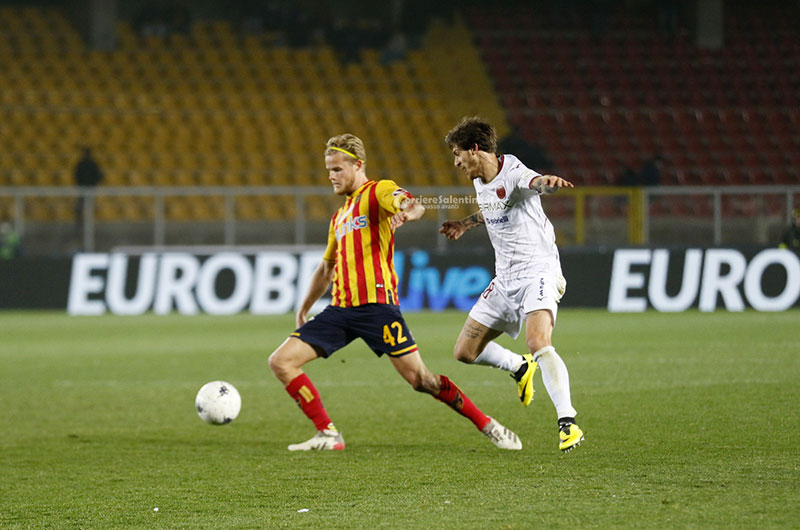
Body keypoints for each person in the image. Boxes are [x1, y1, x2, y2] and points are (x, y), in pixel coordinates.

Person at [267, 133, 521, 451]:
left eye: (337, 169)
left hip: (377, 309)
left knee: (421, 381)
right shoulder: (339, 217)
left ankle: (487, 424)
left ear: (357, 165)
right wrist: (303, 308)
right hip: (341, 311)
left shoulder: (378, 192)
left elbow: (412, 204)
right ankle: (328, 434)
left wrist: (408, 212)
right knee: (281, 361)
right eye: (329, 170)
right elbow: (326, 269)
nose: (331, 176)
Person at [439, 116, 584, 452]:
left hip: (538, 273)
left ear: (475, 149)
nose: (456, 162)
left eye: (458, 154)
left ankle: (568, 422)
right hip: (505, 279)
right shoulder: (480, 179)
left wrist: (547, 182)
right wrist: (466, 223)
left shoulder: (515, 172)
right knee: (464, 352)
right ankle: (518, 366)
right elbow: (492, 208)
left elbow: (535, 183)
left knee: (538, 341)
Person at [73, 146, 104, 236]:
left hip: (86, 190)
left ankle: (86, 227)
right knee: (82, 208)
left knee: (85, 208)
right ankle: (82, 226)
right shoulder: (86, 164)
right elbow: (76, 176)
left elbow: (99, 176)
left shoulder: (88, 164)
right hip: (85, 190)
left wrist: (92, 184)